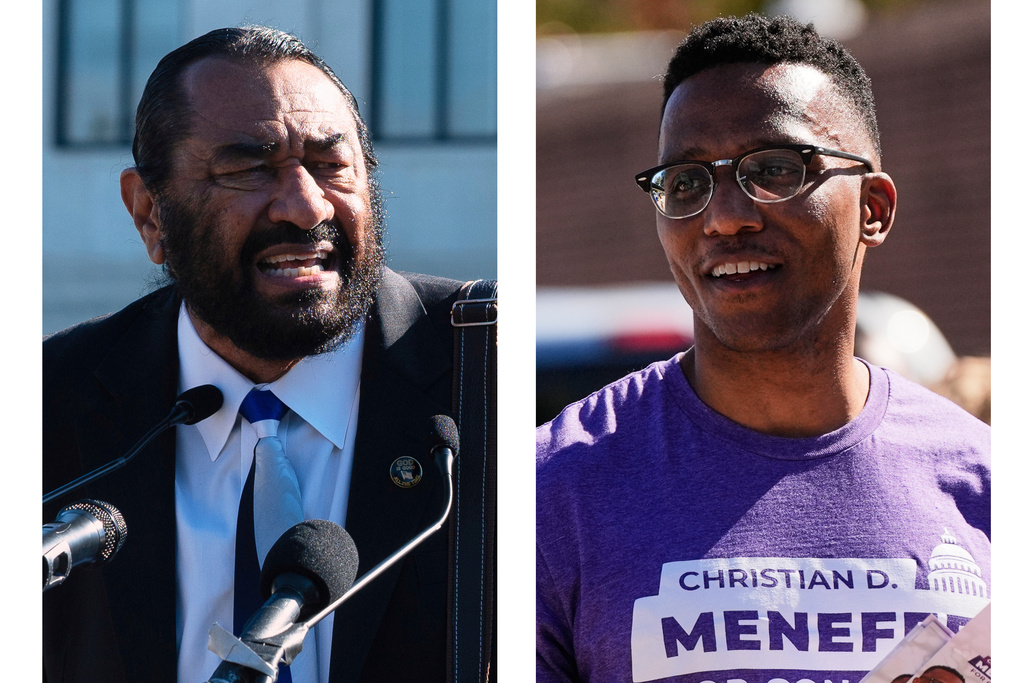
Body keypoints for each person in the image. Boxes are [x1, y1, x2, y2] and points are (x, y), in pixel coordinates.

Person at [536, 14, 990, 683]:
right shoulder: (551, 490)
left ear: (874, 208)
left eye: (775, 169)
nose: (724, 216)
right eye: (686, 183)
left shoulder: (984, 481)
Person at [43, 26, 489, 683]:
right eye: (250, 167)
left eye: (332, 164)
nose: (306, 207)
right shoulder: (50, 399)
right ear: (148, 213)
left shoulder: (485, 373)